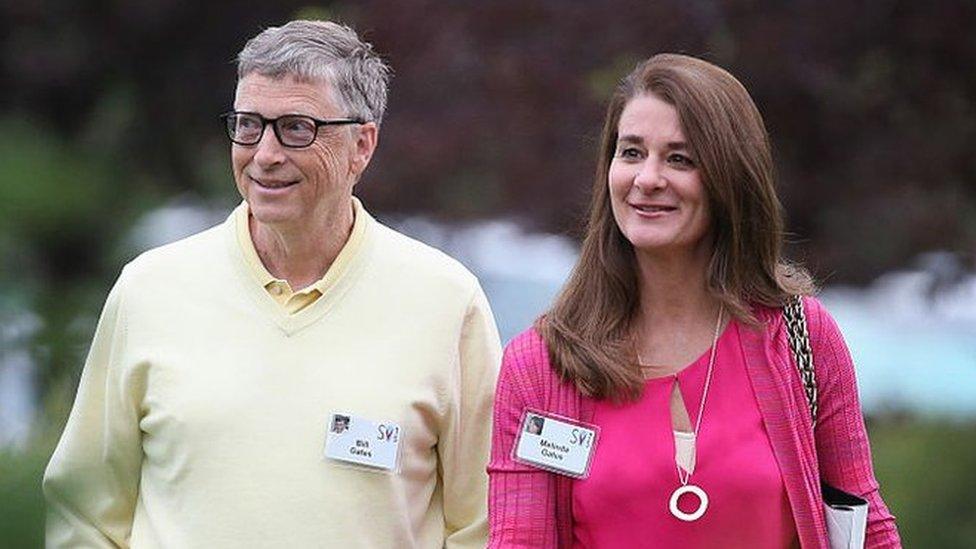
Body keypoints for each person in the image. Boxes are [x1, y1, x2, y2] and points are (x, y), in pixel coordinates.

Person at [43, 20, 501, 548]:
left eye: (296, 128)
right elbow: (85, 512)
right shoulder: (149, 289)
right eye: (248, 125)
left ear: (362, 145)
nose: (264, 154)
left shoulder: (446, 302)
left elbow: (482, 525)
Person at [487, 54, 901, 548]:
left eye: (679, 159)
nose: (647, 179)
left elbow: (869, 528)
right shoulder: (539, 366)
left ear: (731, 179)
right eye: (632, 153)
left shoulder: (801, 339)